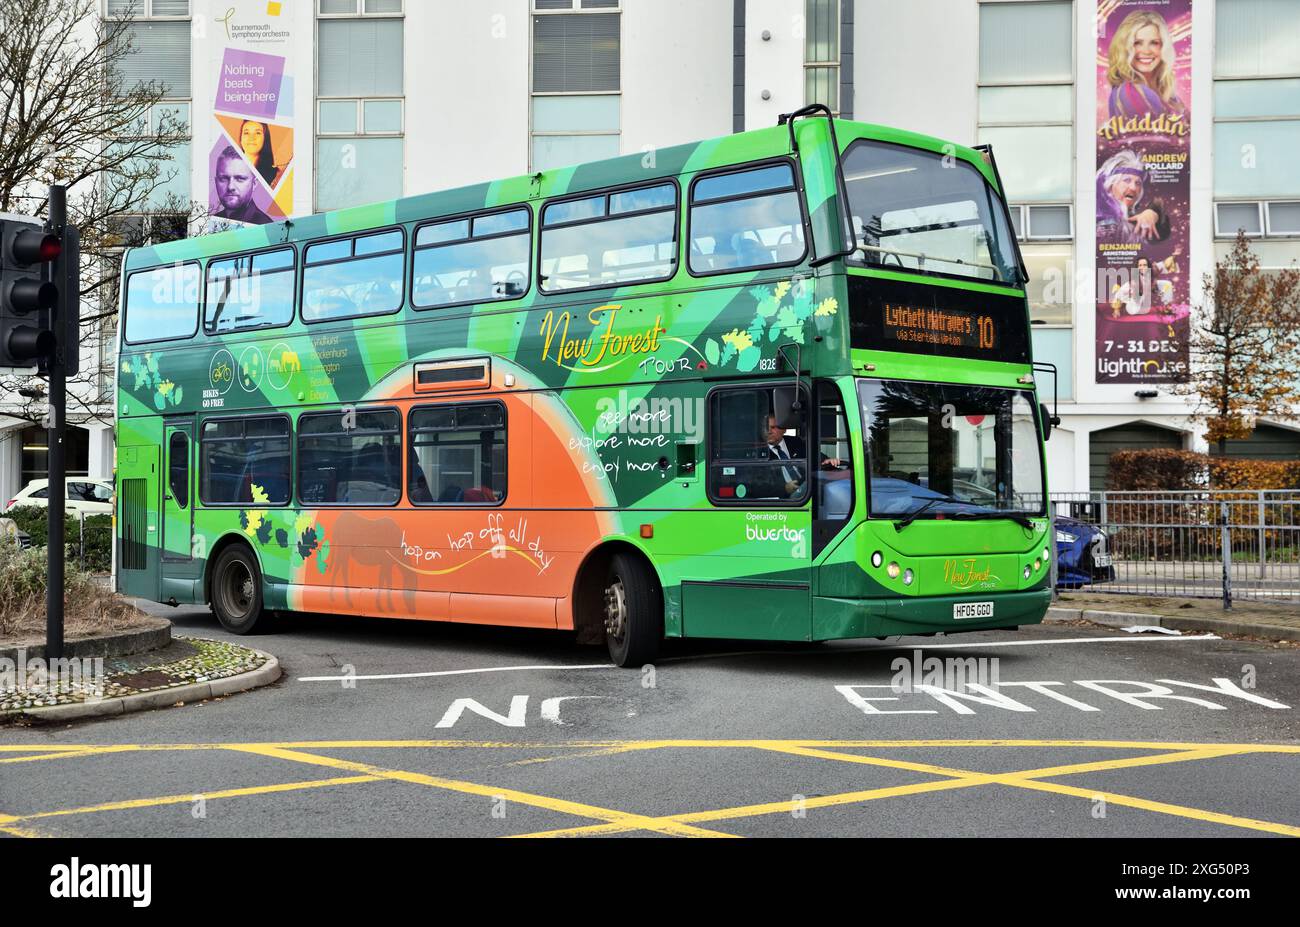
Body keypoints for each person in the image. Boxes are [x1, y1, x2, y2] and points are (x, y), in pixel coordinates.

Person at [1106, 10, 1186, 118]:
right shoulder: (1130, 91)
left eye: (1154, 43)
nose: (1146, 51)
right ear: (1124, 48)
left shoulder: (1166, 92)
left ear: (1163, 47)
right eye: (1137, 43)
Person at [1096, 149, 1168, 245]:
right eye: (1127, 180)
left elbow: (1162, 236)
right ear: (1110, 185)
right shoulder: (1097, 221)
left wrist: (1154, 213)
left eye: (1138, 183)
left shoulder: (1134, 220)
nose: (1133, 188)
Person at [1110, 249, 1180, 318]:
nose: (1142, 267)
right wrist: (1116, 309)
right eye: (1140, 265)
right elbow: (1119, 294)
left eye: (1144, 265)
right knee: (1134, 311)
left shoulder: (1153, 269)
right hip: (1137, 297)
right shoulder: (1133, 282)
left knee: (1167, 284)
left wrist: (1174, 255)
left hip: (1151, 287)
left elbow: (1165, 264)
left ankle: (1167, 306)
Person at [213, 146, 272, 225]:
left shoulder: (265, 226)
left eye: (240, 179)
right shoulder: (211, 223)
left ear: (254, 183)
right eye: (223, 178)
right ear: (216, 181)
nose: (230, 187)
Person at [239, 120, 281, 188]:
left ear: (265, 139)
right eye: (246, 133)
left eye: (258, 133)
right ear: (241, 139)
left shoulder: (276, 175)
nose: (251, 138)